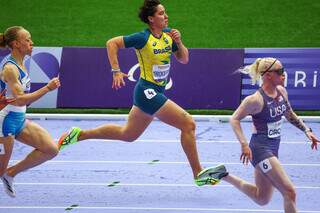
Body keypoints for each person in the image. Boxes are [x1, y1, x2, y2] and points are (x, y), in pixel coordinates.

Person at [58, 0, 225, 186]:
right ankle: (198, 174)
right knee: (188, 124)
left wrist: (179, 41)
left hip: (154, 91)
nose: (166, 16)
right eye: (161, 13)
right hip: (147, 91)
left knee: (127, 134)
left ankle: (79, 134)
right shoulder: (142, 38)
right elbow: (111, 43)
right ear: (151, 19)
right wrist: (115, 70)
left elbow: (184, 59)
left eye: (165, 12)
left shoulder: (169, 36)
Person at [216, 58, 319, 213]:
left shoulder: (282, 92)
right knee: (289, 192)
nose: (284, 75)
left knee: (262, 198)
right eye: (280, 72)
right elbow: (234, 119)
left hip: (273, 147)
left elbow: (289, 113)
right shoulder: (255, 100)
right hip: (260, 149)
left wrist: (306, 130)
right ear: (269, 75)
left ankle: (223, 175)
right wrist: (244, 144)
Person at [0, 26, 61, 197]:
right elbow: (20, 99)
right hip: (4, 123)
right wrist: (47, 88)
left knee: (50, 149)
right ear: (16, 44)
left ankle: (10, 174)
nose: (32, 42)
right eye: (27, 39)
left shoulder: (20, 62)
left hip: (18, 118)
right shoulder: (10, 69)